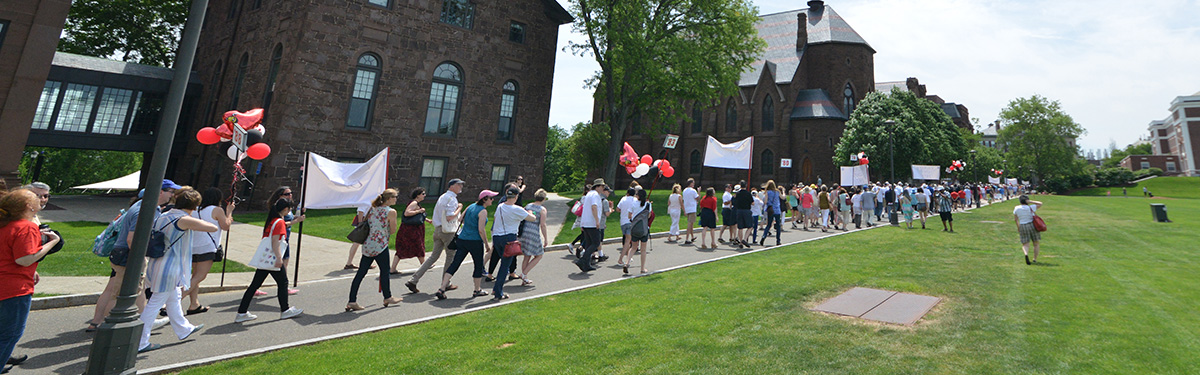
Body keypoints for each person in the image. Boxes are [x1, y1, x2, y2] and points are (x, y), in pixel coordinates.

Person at [88, 181, 180, 332]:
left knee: (120, 291)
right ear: (160, 192)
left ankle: (138, 321)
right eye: (171, 191)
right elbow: (132, 239)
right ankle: (108, 328)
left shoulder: (143, 206)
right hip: (128, 256)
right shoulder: (145, 210)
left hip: (121, 254)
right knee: (118, 295)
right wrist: (138, 260)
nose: (172, 195)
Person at [137, 188, 218, 353]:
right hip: (170, 268)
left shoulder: (164, 215)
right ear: (193, 206)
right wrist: (194, 217)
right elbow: (212, 228)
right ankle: (141, 342)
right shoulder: (182, 219)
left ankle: (184, 329)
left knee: (174, 298)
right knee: (155, 304)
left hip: (157, 264)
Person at [1, 189, 61, 372]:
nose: (40, 200)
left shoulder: (6, 225)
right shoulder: (26, 227)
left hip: (5, 283)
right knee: (10, 334)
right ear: (29, 206)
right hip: (14, 288)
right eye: (36, 198)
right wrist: (52, 242)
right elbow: (24, 259)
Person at [235, 198, 303, 323]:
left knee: (254, 285)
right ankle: (285, 310)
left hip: (266, 259)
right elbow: (275, 242)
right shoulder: (279, 222)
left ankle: (242, 312)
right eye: (289, 209)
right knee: (283, 283)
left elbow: (274, 236)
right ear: (285, 209)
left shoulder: (273, 220)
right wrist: (278, 258)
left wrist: (295, 221)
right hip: (272, 259)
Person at [345, 189, 404, 311]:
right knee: (384, 271)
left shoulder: (372, 209)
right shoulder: (391, 212)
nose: (396, 199)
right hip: (380, 245)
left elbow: (365, 222)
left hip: (368, 244)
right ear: (389, 199)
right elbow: (392, 230)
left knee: (361, 273)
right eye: (395, 197)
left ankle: (352, 300)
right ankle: (387, 297)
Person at [434, 190, 498, 299]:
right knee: (478, 265)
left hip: (462, 239)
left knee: (455, 263)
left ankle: (442, 288)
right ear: (484, 199)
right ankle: (477, 290)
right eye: (491, 198)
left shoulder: (470, 206)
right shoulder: (482, 211)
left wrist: (469, 225)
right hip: (474, 242)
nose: (493, 200)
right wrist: (487, 245)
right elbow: (481, 230)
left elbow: (460, 219)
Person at [406, 179, 464, 293]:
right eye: (458, 185)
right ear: (452, 186)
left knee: (433, 256)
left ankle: (413, 280)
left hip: (438, 229)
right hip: (448, 231)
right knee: (450, 257)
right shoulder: (452, 199)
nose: (461, 186)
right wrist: (460, 208)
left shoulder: (443, 197)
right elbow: (450, 216)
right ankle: (445, 283)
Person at [185, 188, 235, 315]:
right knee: (200, 276)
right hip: (207, 247)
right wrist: (229, 212)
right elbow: (226, 226)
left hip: (193, 246)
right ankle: (172, 302)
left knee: (195, 276)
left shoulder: (195, 209)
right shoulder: (217, 210)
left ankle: (194, 304)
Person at [490, 187, 537, 301]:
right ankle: (498, 292)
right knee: (504, 266)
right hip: (509, 238)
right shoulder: (517, 209)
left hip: (497, 237)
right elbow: (532, 218)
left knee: (503, 263)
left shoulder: (500, 206)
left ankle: (497, 289)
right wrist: (530, 212)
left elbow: (496, 218)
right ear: (516, 197)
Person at [264, 187, 303, 295]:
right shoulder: (278, 206)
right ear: (280, 195)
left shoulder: (286, 207)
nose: (290, 195)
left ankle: (282, 286)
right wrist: (296, 221)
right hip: (279, 238)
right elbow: (281, 223)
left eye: (291, 193)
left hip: (285, 238)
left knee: (280, 263)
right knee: (281, 263)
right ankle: (284, 286)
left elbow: (288, 218)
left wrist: (297, 216)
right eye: (287, 194)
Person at [392, 188, 431, 274]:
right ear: (418, 195)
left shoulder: (416, 203)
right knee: (418, 246)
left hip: (412, 229)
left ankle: (393, 269)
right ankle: (424, 266)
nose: (424, 195)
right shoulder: (414, 203)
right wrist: (419, 211)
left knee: (404, 248)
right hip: (411, 230)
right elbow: (407, 213)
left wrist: (427, 219)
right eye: (423, 194)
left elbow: (417, 216)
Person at [574, 180, 608, 272]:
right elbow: (594, 207)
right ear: (597, 186)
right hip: (591, 223)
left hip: (585, 222)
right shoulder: (595, 195)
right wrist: (597, 221)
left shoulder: (589, 194)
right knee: (596, 243)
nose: (603, 188)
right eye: (602, 186)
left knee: (589, 243)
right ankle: (583, 260)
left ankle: (586, 264)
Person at [518, 189, 549, 286]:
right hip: (533, 233)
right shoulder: (542, 210)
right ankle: (524, 274)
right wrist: (546, 238)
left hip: (524, 232)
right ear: (543, 198)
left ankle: (524, 278)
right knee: (539, 255)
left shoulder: (528, 206)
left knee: (527, 255)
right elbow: (543, 225)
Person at [619, 189, 652, 274]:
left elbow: (629, 215)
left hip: (634, 228)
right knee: (643, 250)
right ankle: (642, 268)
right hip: (644, 229)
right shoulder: (648, 205)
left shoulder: (633, 204)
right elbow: (649, 216)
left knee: (633, 247)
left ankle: (627, 263)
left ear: (637, 196)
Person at [1013, 195, 1044, 265]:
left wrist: (1018, 228)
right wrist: (1030, 201)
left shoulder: (1016, 208)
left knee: (1025, 243)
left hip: (1023, 225)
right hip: (1032, 225)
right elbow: (1040, 203)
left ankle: (1026, 254)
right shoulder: (1030, 207)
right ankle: (1034, 259)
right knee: (1036, 243)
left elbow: (1016, 219)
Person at [616, 187, 640, 266]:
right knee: (628, 241)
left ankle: (628, 257)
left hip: (622, 222)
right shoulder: (635, 200)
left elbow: (618, 209)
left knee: (627, 240)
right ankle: (620, 259)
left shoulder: (623, 199)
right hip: (630, 221)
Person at [759, 180, 782, 246]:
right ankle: (778, 240)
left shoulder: (767, 192)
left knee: (768, 225)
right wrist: (783, 192)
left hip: (770, 209)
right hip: (777, 209)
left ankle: (764, 236)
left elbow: (765, 201)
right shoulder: (777, 192)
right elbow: (783, 197)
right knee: (778, 225)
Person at [732, 183, 753, 248]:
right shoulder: (748, 194)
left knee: (740, 227)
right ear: (746, 186)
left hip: (739, 210)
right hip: (746, 210)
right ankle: (744, 239)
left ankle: (741, 242)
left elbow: (734, 202)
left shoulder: (737, 194)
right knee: (750, 226)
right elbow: (752, 202)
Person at [681, 179, 700, 244]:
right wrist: (699, 191)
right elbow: (698, 198)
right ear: (691, 183)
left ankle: (692, 236)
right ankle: (687, 238)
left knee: (691, 223)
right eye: (693, 183)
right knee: (690, 223)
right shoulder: (693, 191)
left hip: (687, 208)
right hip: (692, 208)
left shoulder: (684, 190)